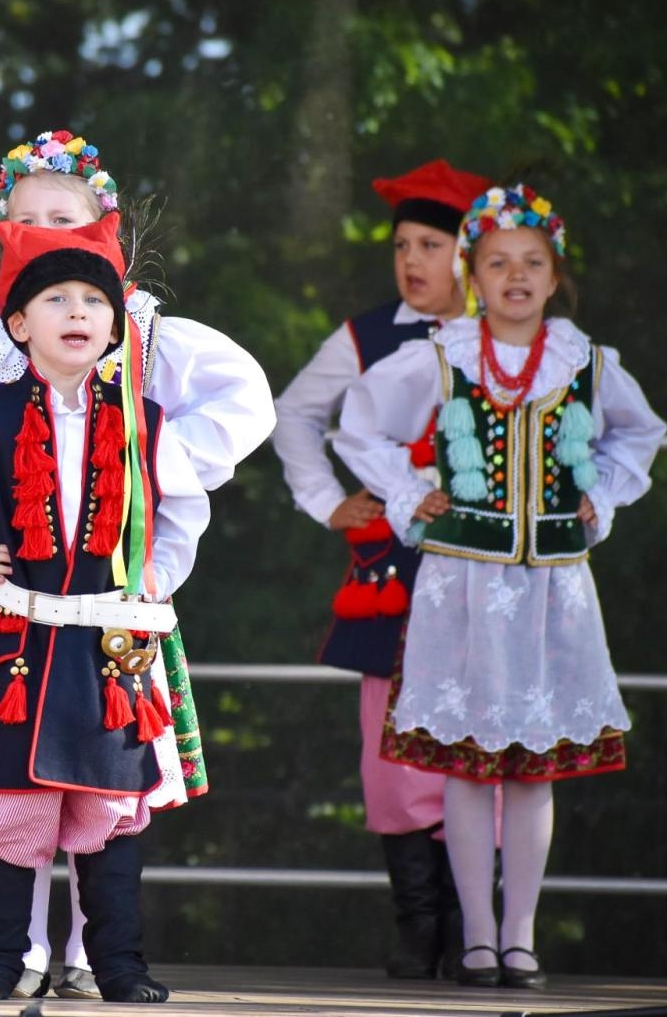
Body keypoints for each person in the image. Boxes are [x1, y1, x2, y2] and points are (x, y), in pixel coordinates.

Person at [0, 129, 274, 998]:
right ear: (2, 233)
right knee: (13, 781)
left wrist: (154, 482)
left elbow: (245, 403)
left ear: (104, 227)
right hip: (14, 600)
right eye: (29, 218)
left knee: (108, 781)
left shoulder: (147, 330)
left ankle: (97, 953)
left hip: (115, 601)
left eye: (66, 217)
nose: (47, 230)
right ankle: (19, 951)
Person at [336, 185, 666, 988]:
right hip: (463, 585)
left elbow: (641, 433)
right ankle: (476, 936)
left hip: (554, 587)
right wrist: (413, 493)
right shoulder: (442, 357)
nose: (515, 277)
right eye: (497, 263)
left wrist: (604, 494)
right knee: (462, 762)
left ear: (555, 278)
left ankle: (520, 935)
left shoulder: (584, 362)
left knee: (533, 764)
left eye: (532, 263)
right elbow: (359, 423)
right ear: (472, 275)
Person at [0, 215, 208, 1004]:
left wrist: (158, 573)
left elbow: (187, 508)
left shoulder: (144, 422)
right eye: (57, 298)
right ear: (17, 323)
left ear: (115, 325)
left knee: (110, 812)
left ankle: (119, 965)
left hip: (110, 644)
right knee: (9, 811)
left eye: (93, 301)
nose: (77, 313)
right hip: (21, 641)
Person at [269, 159, 490, 979]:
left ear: (475, 252)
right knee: (392, 748)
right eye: (403, 244)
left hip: (492, 571)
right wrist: (327, 499)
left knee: (483, 734)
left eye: (432, 243)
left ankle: (480, 928)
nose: (413, 261)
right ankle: (419, 927)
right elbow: (292, 413)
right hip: (394, 574)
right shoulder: (370, 334)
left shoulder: (512, 337)